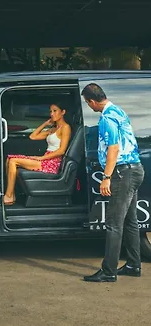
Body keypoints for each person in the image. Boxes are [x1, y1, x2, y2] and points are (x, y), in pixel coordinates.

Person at [82, 83, 144, 283]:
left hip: (121, 173)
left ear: (92, 101)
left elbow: (113, 148)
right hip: (134, 170)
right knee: (130, 221)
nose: (89, 106)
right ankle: (133, 265)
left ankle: (108, 271)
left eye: (87, 103)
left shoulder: (107, 118)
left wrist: (106, 177)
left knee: (113, 224)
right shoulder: (118, 111)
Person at [3, 103, 71, 206]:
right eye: (50, 111)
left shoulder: (65, 127)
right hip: (46, 158)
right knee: (9, 159)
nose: (52, 114)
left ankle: (9, 195)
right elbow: (33, 136)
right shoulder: (52, 129)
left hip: (52, 162)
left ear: (63, 112)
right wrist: (45, 124)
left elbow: (61, 151)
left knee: (13, 161)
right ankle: (12, 194)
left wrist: (42, 158)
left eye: (55, 111)